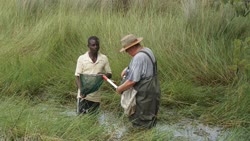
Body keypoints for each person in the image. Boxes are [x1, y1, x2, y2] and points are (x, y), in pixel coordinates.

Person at [116, 34, 161, 129]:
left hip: (144, 94)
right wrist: (127, 69)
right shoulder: (147, 51)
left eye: (127, 50)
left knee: (140, 120)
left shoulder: (138, 58)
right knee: (151, 116)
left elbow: (132, 81)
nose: (127, 53)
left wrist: (120, 89)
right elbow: (142, 67)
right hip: (153, 89)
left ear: (132, 47)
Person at [75, 36, 112, 114]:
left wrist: (104, 75)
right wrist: (81, 91)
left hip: (96, 97)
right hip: (83, 96)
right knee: (80, 119)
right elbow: (77, 77)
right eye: (93, 45)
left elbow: (109, 73)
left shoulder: (104, 58)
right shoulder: (82, 58)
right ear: (88, 46)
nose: (96, 47)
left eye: (97, 45)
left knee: (94, 120)